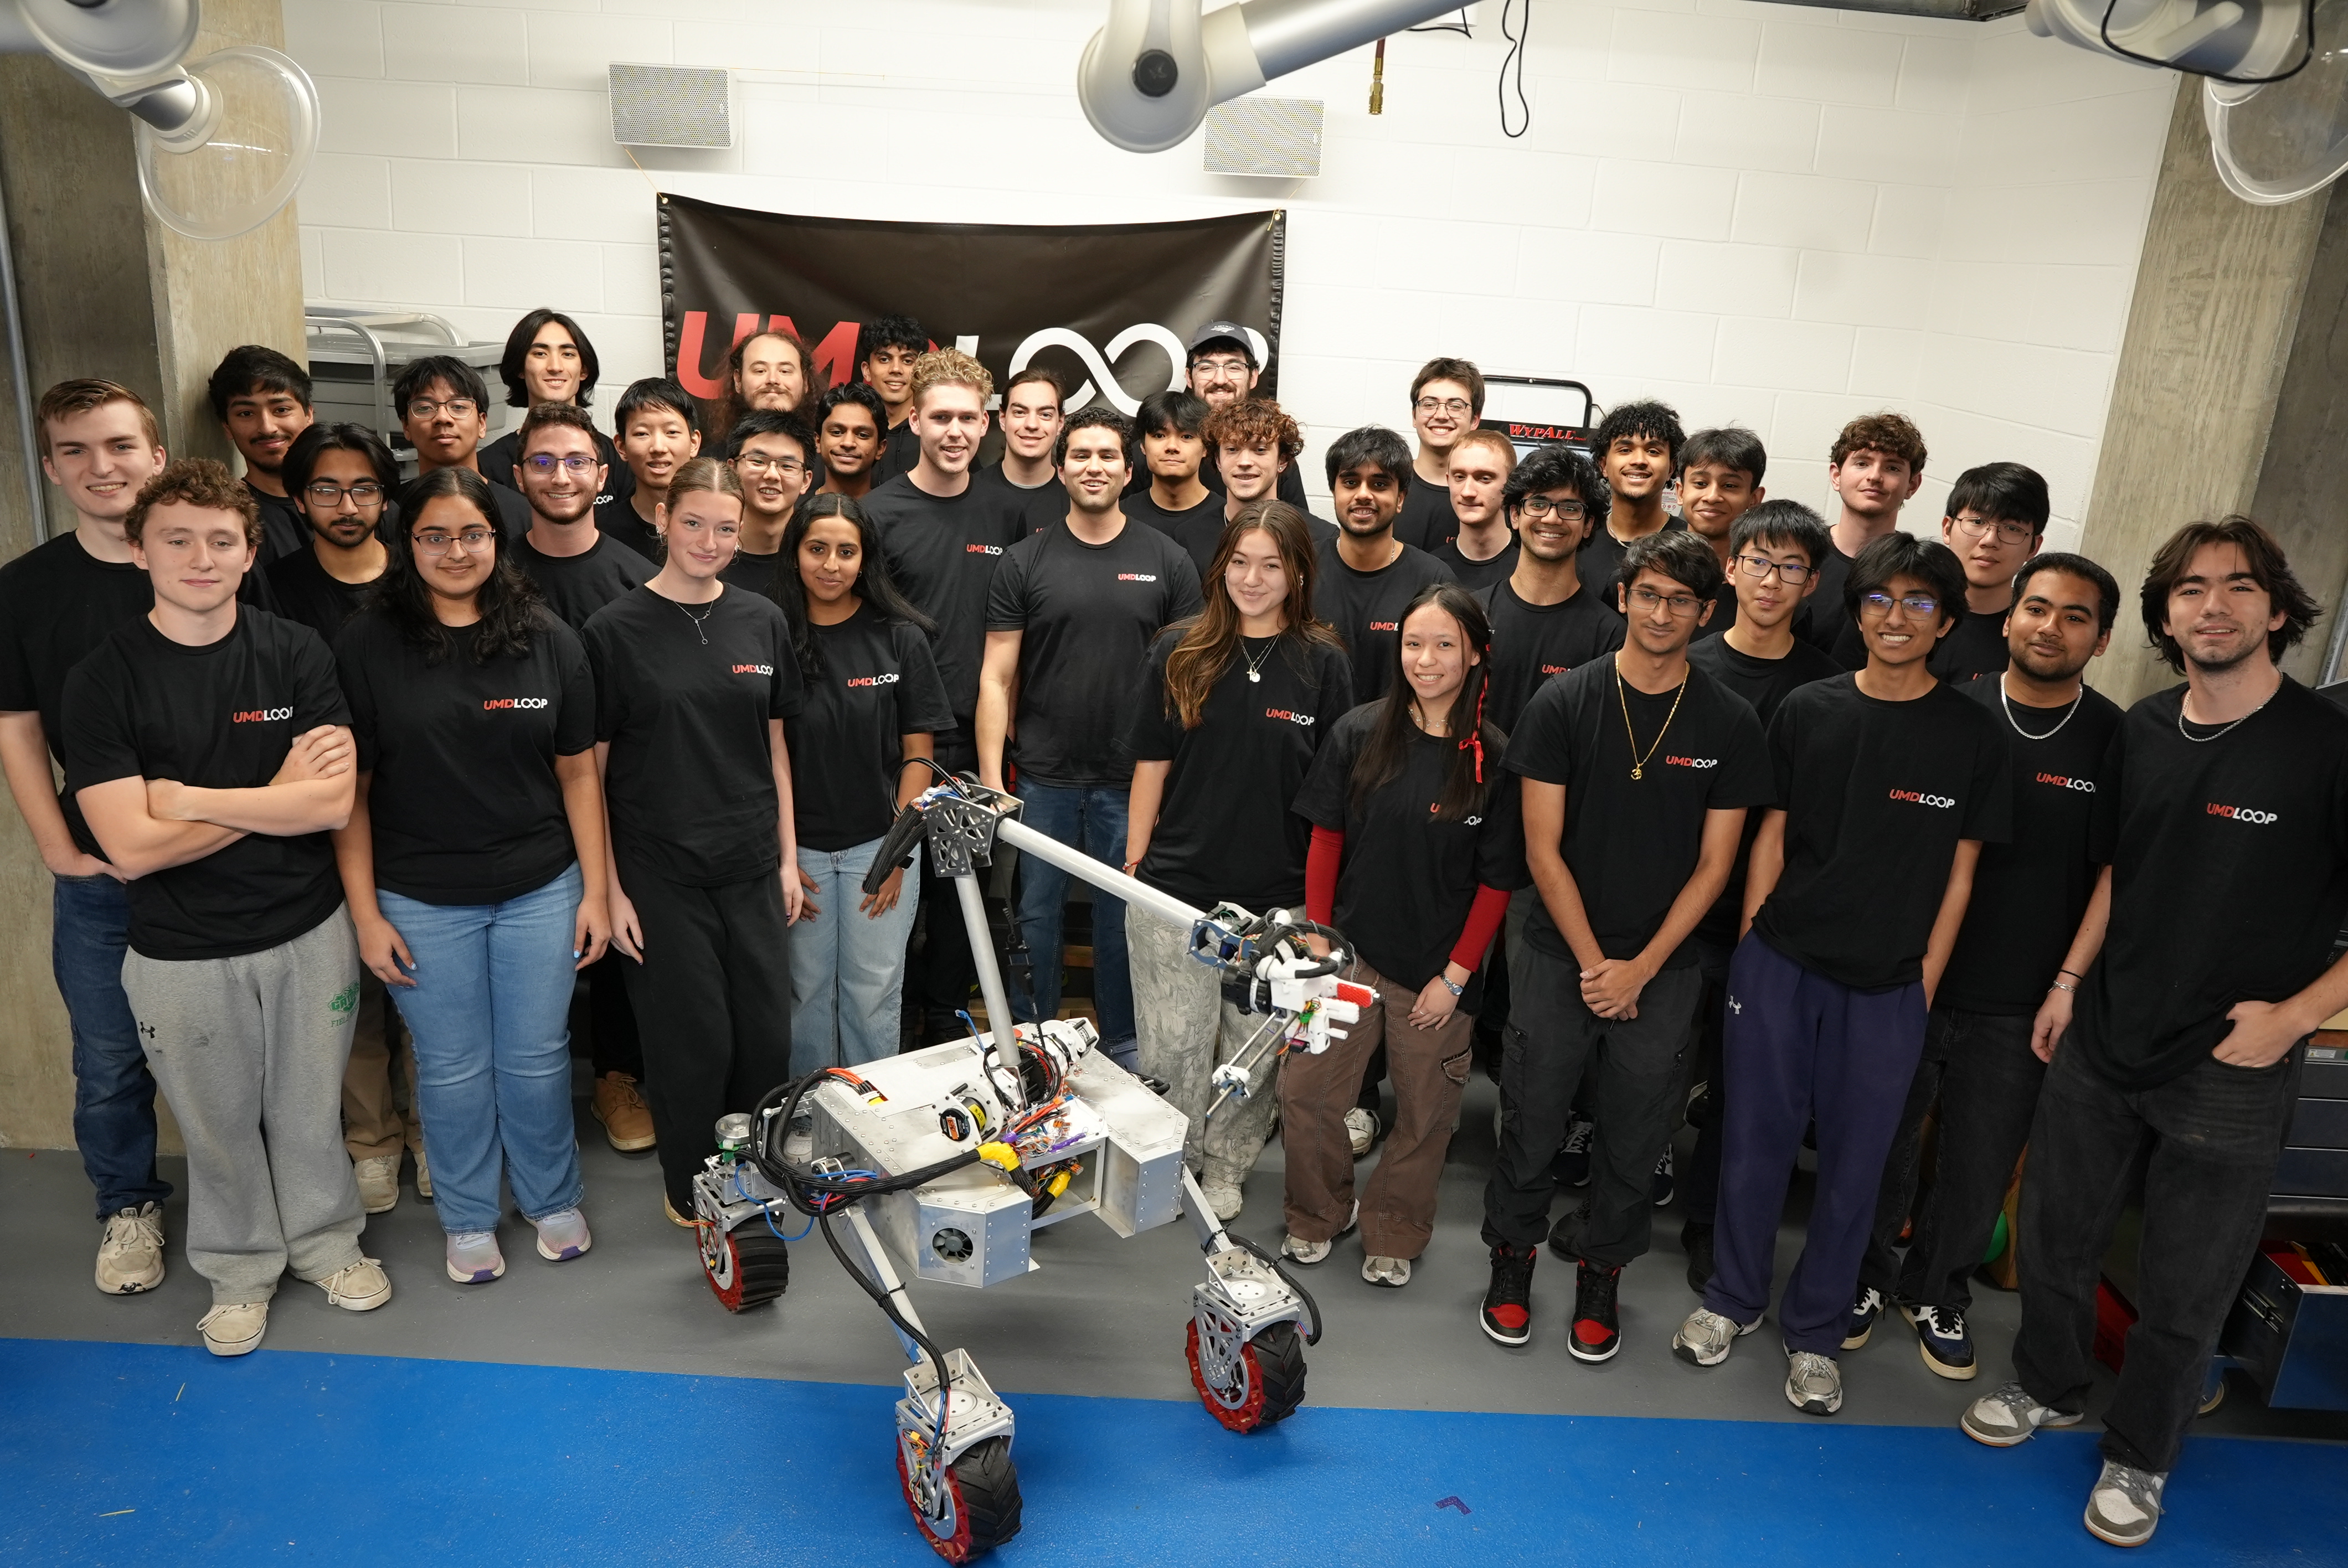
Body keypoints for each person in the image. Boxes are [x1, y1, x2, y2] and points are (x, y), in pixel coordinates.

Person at [1963, 517, 2348, 1548]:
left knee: (2189, 1278)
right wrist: (2067, 982)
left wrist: (2298, 1017)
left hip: (2232, 1059)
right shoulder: (2142, 727)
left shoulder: (2327, 745)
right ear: (2165, 614)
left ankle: (2141, 1453)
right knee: (2055, 1235)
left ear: (2277, 607)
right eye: (2189, 590)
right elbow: (2120, 871)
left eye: (2236, 587)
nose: (2211, 606)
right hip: (2102, 1032)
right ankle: (2047, 1381)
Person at [1674, 532, 2009, 1421]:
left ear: (1945, 622)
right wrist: (1751, 943)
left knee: (1858, 1169)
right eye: (1879, 601)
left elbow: (1962, 871)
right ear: (1857, 610)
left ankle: (1817, 1334)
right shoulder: (1810, 710)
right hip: (1780, 963)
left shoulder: (1971, 733)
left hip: (1892, 988)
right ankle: (1733, 1301)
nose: (1896, 619)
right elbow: (1772, 836)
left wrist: (1924, 983)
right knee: (1754, 1143)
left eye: (1919, 604)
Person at [65, 457, 390, 1356]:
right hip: (178, 950)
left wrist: (190, 799)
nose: (200, 557)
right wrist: (269, 791)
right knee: (214, 1127)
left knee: (305, 1108)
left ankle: (329, 1247)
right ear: (140, 550)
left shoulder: (295, 652)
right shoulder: (103, 681)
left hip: (306, 930)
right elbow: (127, 846)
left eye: (221, 540)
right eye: (177, 539)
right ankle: (239, 1269)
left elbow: (327, 805)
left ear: (250, 552)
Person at [1481, 530, 1769, 1358]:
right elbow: (1542, 850)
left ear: (1706, 613)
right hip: (1554, 951)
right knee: (1533, 1116)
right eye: (1649, 593)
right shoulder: (1564, 702)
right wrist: (1594, 964)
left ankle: (1602, 1271)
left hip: (1665, 967)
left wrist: (1638, 968)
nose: (1663, 612)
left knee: (1637, 1133)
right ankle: (1512, 1258)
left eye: (1683, 600)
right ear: (1623, 596)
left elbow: (1719, 864)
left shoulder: (1729, 718)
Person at [331, 467, 609, 1284]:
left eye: (473, 534)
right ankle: (466, 1215)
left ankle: (551, 1196)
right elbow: (352, 792)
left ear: (500, 537)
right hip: (418, 896)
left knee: (536, 1057)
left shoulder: (550, 637)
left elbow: (580, 775)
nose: (456, 551)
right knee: (450, 1067)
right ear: (404, 541)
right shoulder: (366, 643)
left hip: (541, 887)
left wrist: (594, 890)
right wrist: (364, 915)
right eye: (434, 536)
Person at [1849, 552, 2119, 1378]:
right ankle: (1863, 1276)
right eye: (2038, 608)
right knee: (1883, 1139)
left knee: (1980, 1157)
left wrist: (2068, 984)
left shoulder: (2118, 738)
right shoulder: (1948, 713)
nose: (2051, 627)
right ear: (2007, 620)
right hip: (1911, 974)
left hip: (2024, 996)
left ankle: (1939, 1289)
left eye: (2076, 616)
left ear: (2101, 640)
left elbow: (2117, 874)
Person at [1283, 582, 1521, 1285]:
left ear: (1476, 654)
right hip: (1347, 959)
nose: (1426, 659)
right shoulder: (1359, 732)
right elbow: (1326, 839)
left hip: (1438, 977)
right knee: (1307, 1094)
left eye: (1445, 644)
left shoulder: (1497, 758)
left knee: (1424, 1114)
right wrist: (1320, 943)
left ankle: (1394, 1226)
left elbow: (1497, 883)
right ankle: (1318, 1212)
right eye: (1413, 643)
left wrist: (1455, 977)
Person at [586, 457, 804, 1225]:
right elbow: (593, 771)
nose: (709, 540)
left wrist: (786, 859)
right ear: (661, 521)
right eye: (693, 523)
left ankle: (754, 1171)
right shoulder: (614, 631)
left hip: (749, 862)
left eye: (725, 527)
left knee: (765, 1042)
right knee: (693, 1045)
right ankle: (693, 1188)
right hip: (659, 871)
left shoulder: (762, 619)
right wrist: (608, 891)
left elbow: (774, 748)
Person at [1122, 501, 1352, 1220]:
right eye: (1241, 562)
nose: (1254, 579)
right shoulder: (1178, 650)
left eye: (1272, 565)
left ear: (1298, 573)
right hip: (1177, 890)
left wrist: (1319, 909)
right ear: (1220, 567)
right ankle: (1176, 1163)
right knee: (1172, 1049)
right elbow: (1152, 765)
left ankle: (1225, 1167)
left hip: (1278, 900)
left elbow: (1334, 798)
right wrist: (1134, 866)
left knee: (1251, 1052)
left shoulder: (1324, 663)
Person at [0, 380, 173, 1295]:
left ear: (157, 452)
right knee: (109, 1054)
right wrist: (59, 852)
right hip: (103, 874)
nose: (100, 467)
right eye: (75, 450)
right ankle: (128, 1208)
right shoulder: (26, 590)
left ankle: (261, 1201)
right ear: (51, 466)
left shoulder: (208, 561)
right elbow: (17, 726)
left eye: (118, 445)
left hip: (221, 864)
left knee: (250, 1051)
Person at [979, 407, 1202, 1070]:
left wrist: (1172, 783)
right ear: (1060, 466)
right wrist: (993, 781)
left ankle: (1125, 1046)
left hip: (1130, 780)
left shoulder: (1167, 559)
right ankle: (1032, 1044)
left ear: (1127, 470)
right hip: (1042, 778)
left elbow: (1190, 684)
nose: (1094, 467)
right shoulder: (1025, 561)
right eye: (1080, 455)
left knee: (1122, 920)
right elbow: (996, 677)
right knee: (1039, 919)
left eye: (1107, 456)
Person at [1677, 501, 1846, 1291]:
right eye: (1758, 562)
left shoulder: (1828, 685)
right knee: (1657, 1070)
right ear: (1730, 568)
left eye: (1791, 568)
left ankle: (1711, 1226)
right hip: (1676, 911)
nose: (1772, 581)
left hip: (1774, 920)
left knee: (1742, 1086)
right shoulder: (1688, 662)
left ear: (1812, 583)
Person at [264, 422, 426, 1214]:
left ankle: (435, 1131)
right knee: (354, 997)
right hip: (317, 823)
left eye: (363, 487)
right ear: (297, 500)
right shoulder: (274, 589)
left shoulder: (422, 572)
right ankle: (372, 1140)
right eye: (326, 488)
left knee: (428, 994)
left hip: (420, 821)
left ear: (385, 496)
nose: (347, 504)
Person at [864, 349, 1028, 1045]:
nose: (955, 431)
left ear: (987, 423)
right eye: (941, 417)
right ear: (915, 420)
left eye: (968, 417)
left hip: (976, 740)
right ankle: (893, 1023)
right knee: (889, 893)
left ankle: (942, 1022)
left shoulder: (1008, 512)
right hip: (895, 742)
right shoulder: (878, 513)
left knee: (961, 895)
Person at [506, 401, 656, 1152]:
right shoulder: (489, 570)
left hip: (618, 796)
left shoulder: (640, 580)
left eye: (575, 462)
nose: (560, 476)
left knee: (622, 940)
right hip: (517, 802)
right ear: (516, 474)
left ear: (603, 474)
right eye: (543, 461)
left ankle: (616, 1077)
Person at [774, 493, 951, 1073]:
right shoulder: (768, 635)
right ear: (795, 553)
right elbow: (758, 757)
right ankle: (805, 1116)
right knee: (803, 993)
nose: (831, 564)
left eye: (845, 551)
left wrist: (897, 856)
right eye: (817, 549)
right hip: (800, 855)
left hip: (880, 847)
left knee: (873, 991)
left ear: (864, 558)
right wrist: (782, 857)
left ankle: (872, 1114)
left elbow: (919, 755)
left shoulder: (900, 638)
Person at [1477, 443, 1623, 735]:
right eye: (1539, 504)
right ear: (1516, 516)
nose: (1552, 519)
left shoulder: (1611, 638)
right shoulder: (1472, 614)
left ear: (1588, 524)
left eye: (1570, 508)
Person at [1316, 426, 1454, 708]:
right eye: (1351, 483)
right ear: (1334, 491)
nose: (1363, 495)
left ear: (1401, 498)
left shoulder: (1433, 580)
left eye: (1379, 485)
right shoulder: (1302, 567)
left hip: (1395, 743)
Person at [1804, 412, 1928, 665]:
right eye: (1862, 463)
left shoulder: (1919, 574)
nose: (1874, 476)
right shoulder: (1801, 556)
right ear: (1837, 476)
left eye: (1892, 467)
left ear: (1912, 485)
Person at [480, 308, 627, 509]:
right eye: (540, 354)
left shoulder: (617, 458)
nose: (555, 367)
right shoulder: (490, 464)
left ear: (584, 370)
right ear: (520, 369)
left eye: (568, 354)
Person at [1923, 463, 2049, 684]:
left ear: (2034, 547)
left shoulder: (2040, 636)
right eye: (1978, 522)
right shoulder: (1907, 609)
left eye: (2012, 528)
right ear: (1947, 529)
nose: (1990, 540)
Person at [394, 355, 532, 541]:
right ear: (406, 426)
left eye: (458, 406)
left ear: (482, 424)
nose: (443, 418)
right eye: (425, 408)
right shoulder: (390, 510)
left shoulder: (521, 514)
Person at [1182, 321, 1310, 508]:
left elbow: (1299, 528)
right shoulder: (1163, 447)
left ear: (1253, 377)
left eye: (1233, 367)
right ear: (1189, 377)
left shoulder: (1273, 447)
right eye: (1206, 367)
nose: (1220, 380)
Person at [208, 345, 315, 563]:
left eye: (281, 410)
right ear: (227, 426)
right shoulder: (228, 519)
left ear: (309, 415)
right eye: (246, 413)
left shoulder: (360, 499)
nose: (267, 428)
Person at [1580, 400, 1686, 610]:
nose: (1639, 460)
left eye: (1653, 451)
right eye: (1625, 450)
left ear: (1672, 468)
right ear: (1603, 465)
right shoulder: (1579, 537)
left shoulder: (1688, 544)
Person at [1202, 397, 1332, 550]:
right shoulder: (1190, 535)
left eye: (1260, 450)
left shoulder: (1320, 539)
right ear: (1218, 460)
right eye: (1233, 449)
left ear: (1282, 461)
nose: (1245, 462)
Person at [597, 378, 704, 564]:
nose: (658, 447)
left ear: (694, 443)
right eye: (642, 434)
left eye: (671, 432)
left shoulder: (719, 527)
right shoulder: (600, 534)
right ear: (621, 447)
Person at [1676, 427, 1767, 641]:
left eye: (1729, 486)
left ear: (1754, 499)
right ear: (1681, 492)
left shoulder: (1767, 593)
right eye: (1700, 483)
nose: (1712, 496)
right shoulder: (1644, 576)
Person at [1125, 388, 1225, 574]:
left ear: (1206, 448)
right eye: (1159, 436)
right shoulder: (1120, 518)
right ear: (1143, 446)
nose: (1172, 447)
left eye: (1186, 436)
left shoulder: (1229, 520)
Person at [725, 410, 818, 592]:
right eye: (758, 461)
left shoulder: (818, 563)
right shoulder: (707, 555)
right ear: (732, 470)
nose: (772, 475)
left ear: (806, 481)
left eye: (787, 466)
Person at [1394, 357, 1481, 553]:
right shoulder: (1388, 486)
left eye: (1456, 406)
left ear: (1475, 420)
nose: (1441, 415)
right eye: (1429, 404)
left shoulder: (1489, 497)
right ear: (1414, 416)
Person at [972, 365, 1064, 534]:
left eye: (1045, 414)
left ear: (1060, 424)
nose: (1032, 425)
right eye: (1020, 412)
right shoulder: (971, 493)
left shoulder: (1075, 500)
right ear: (1003, 418)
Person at [1431, 428, 1517, 593]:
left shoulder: (1531, 567)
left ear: (1511, 484)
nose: (1467, 492)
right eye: (1460, 477)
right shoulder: (1431, 571)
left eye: (1484, 478)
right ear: (1448, 481)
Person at [861, 315, 931, 487]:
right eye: (884, 359)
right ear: (867, 370)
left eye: (908, 361)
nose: (896, 369)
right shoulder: (852, 432)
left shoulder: (935, 432)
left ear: (921, 371)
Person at [712, 326, 815, 440]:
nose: (773, 380)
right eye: (760, 371)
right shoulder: (715, 457)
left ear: (805, 381)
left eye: (785, 371)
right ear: (738, 380)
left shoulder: (826, 457)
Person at [815, 383, 890, 501]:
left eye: (862, 435)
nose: (848, 443)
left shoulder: (894, 516)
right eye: (837, 432)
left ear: (880, 448)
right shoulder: (793, 511)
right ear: (818, 441)